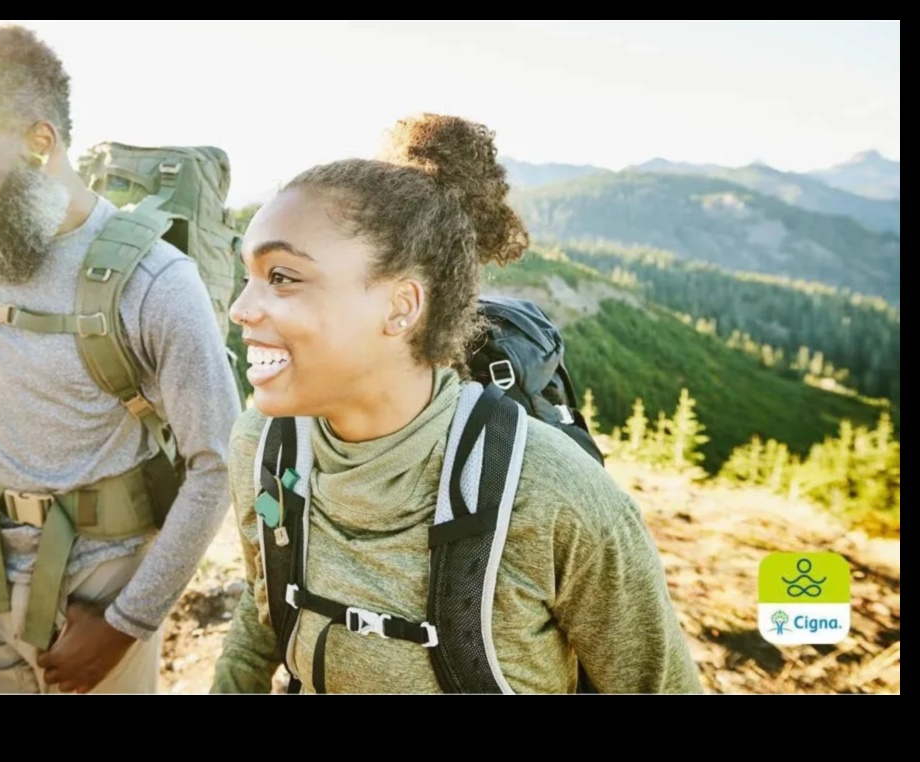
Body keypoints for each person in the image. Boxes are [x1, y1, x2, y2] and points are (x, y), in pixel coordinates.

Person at [209, 113, 704, 694]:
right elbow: (264, 601)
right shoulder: (262, 445)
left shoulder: (551, 497)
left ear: (401, 307)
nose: (241, 308)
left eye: (283, 277)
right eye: (248, 276)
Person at [0, 22, 242, 694]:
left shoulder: (156, 281)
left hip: (103, 584)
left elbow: (216, 462)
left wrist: (127, 621)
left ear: (38, 141)